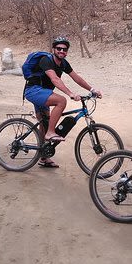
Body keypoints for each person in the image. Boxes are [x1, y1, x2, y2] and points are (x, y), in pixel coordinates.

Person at [24, 36, 102, 168]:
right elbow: (54, 79)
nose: (62, 51)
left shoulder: (64, 63)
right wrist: (70, 93)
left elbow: (76, 78)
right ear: (53, 49)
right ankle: (50, 133)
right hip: (34, 91)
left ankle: (44, 157)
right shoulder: (46, 60)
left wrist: (92, 89)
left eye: (64, 49)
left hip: (44, 93)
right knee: (61, 101)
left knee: (45, 122)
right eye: (59, 48)